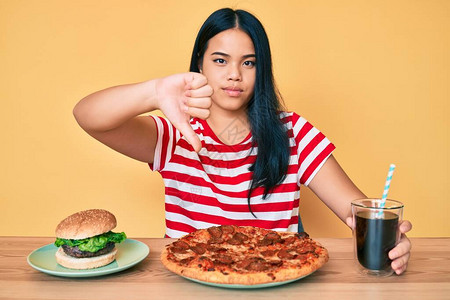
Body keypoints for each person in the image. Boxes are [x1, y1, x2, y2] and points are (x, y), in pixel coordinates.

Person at [73, 8, 412, 275]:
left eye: (248, 63)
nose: (234, 74)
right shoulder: (176, 134)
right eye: (220, 61)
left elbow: (359, 214)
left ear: (260, 70)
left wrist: (389, 242)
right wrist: (154, 91)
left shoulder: (292, 133)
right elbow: (87, 116)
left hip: (278, 281)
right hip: (191, 283)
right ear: (199, 66)